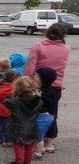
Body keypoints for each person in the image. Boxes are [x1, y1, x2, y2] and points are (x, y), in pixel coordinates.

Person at [24, 24, 70, 153]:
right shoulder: (66, 48)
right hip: (56, 86)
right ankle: (49, 143)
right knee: (52, 113)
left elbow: (30, 67)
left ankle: (35, 141)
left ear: (47, 32)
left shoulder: (38, 46)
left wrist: (26, 82)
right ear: (63, 35)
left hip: (38, 84)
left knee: (35, 112)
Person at [3, 77, 42, 164]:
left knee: (18, 144)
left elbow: (5, 102)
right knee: (30, 144)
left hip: (18, 125)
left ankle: (19, 162)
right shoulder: (38, 101)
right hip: (32, 125)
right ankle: (27, 162)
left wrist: (12, 95)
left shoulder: (15, 101)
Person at [33, 67, 59, 157]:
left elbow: (48, 105)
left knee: (38, 136)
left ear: (42, 79)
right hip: (44, 116)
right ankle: (39, 149)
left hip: (43, 116)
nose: (34, 77)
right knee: (39, 135)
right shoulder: (44, 89)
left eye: (36, 76)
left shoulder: (46, 92)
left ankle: (38, 153)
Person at [0, 70, 19, 145]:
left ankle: (1, 138)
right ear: (14, 78)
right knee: (7, 125)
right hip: (8, 109)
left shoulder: (0, 86)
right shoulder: (13, 88)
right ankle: (5, 140)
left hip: (0, 107)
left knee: (2, 124)